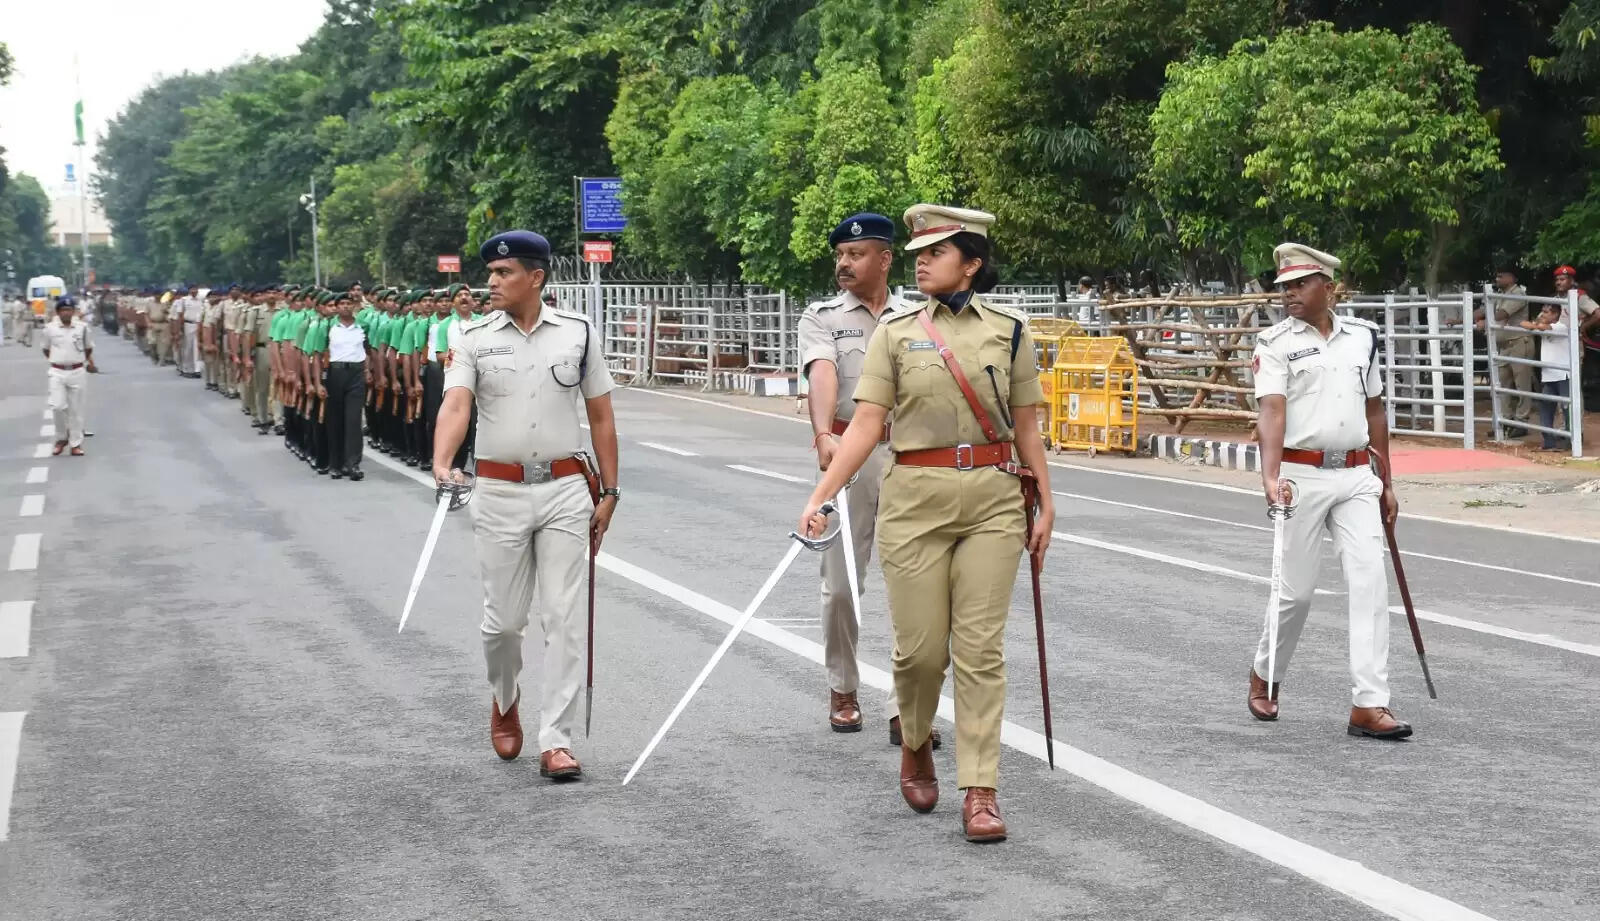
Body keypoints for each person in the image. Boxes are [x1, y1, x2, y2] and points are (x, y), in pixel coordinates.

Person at [798, 204, 1053, 844]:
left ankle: (980, 790)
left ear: (971, 263)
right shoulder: (896, 333)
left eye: (936, 252)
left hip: (994, 499)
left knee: (980, 650)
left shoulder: (1010, 331)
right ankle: (915, 739)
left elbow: (1027, 426)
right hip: (913, 499)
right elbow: (865, 425)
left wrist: (1046, 503)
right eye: (918, 253)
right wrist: (823, 495)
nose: (921, 262)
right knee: (920, 654)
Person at [433, 230, 620, 780]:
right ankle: (505, 695)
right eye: (490, 273)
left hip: (565, 489)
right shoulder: (472, 337)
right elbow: (456, 404)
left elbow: (602, 415)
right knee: (503, 624)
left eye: (503, 273)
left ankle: (556, 740)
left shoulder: (578, 333)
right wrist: (443, 462)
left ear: (535, 278)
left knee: (563, 617)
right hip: (498, 492)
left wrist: (610, 492)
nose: (491, 282)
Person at [1249, 243, 1410, 740]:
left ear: (1329, 287)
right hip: (1301, 475)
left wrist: (1387, 482)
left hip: (1357, 474)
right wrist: (1270, 477)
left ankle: (1369, 703)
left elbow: (1375, 409)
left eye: (1300, 284)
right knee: (1296, 593)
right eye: (1284, 286)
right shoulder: (1273, 342)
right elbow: (1272, 411)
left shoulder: (1363, 337)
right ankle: (1266, 673)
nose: (1289, 294)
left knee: (1370, 584)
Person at [796, 212, 931, 747]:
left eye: (855, 255)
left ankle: (907, 705)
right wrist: (823, 435)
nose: (844, 263)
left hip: (911, 456)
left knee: (915, 583)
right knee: (841, 586)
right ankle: (843, 688)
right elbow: (823, 373)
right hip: (848, 454)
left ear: (885, 259)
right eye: (840, 255)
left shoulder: (920, 314)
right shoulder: (823, 317)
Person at [1475, 266, 1534, 437]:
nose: (1497, 279)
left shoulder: (1518, 294)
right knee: (1501, 384)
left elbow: (1501, 314)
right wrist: (1461, 319)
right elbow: (1484, 311)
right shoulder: (1499, 295)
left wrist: (1485, 321)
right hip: (1504, 346)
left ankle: (1521, 422)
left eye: (1501, 276)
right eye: (1497, 276)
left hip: (1519, 342)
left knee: (1522, 384)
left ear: (1512, 278)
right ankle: (1505, 421)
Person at [42, 297, 96, 456]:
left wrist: (80, 361)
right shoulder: (50, 328)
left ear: (73, 311)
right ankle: (62, 438)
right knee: (57, 406)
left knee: (76, 410)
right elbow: (46, 349)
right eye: (63, 310)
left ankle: (75, 444)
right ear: (58, 312)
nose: (66, 313)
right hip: (57, 371)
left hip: (77, 371)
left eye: (69, 310)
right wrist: (59, 360)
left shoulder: (82, 328)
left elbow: (88, 348)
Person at [324, 291, 368, 479]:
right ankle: (335, 464)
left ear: (354, 306)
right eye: (341, 304)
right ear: (336, 307)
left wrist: (370, 372)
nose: (345, 306)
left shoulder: (363, 326)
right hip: (335, 373)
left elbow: (369, 351)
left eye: (349, 303)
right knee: (336, 420)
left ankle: (353, 464)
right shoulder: (328, 326)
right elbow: (319, 353)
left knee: (354, 420)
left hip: (356, 374)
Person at [1520, 302, 1574, 451]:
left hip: (1563, 375)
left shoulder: (1561, 327)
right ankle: (1548, 441)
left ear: (1555, 314)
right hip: (1549, 376)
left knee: (1567, 409)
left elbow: (1543, 327)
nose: (1542, 314)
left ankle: (1570, 441)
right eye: (1542, 311)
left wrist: (1536, 324)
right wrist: (1537, 323)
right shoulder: (1542, 325)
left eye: (1546, 312)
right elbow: (1523, 324)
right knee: (1545, 408)